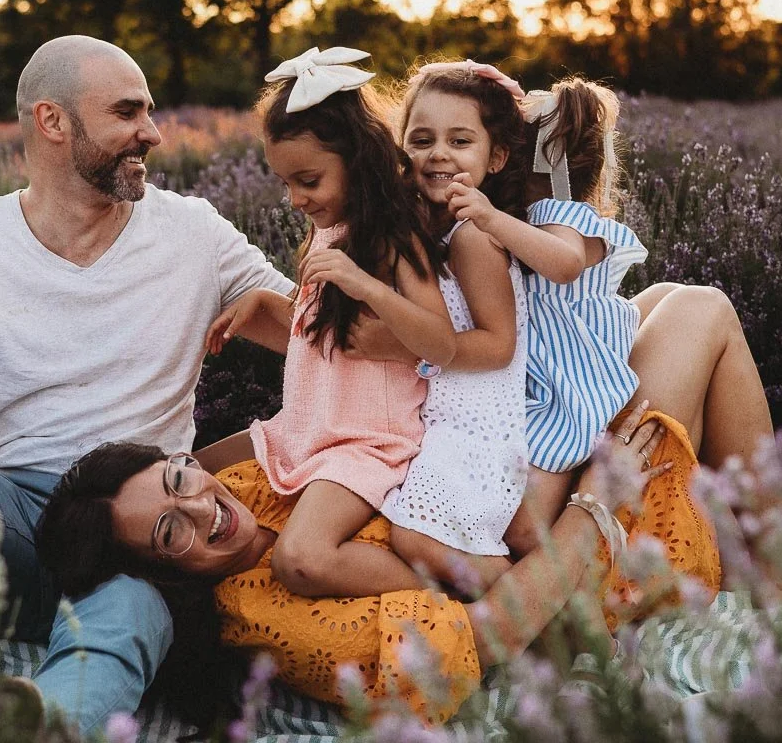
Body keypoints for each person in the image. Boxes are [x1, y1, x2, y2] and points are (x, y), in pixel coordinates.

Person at [0, 35, 295, 734]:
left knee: (133, 608)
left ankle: (45, 723)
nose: (152, 133)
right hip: (7, 522)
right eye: (128, 112)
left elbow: (328, 341)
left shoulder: (194, 233)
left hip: (141, 531)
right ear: (53, 121)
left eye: (149, 112)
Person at [39, 401, 689, 726]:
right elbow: (493, 633)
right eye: (168, 532)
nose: (203, 509)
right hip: (584, 564)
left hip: (535, 484)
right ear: (163, 575)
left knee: (662, 304)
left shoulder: (242, 482)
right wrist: (597, 505)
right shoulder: (271, 614)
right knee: (698, 314)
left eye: (180, 478)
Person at [205, 46, 458, 599]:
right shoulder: (330, 231)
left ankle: (453, 595)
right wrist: (267, 304)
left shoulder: (394, 235)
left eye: (309, 180)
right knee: (189, 471)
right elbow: (327, 336)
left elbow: (441, 342)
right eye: (286, 184)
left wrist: (362, 281)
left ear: (357, 158)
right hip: (302, 428)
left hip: (365, 443)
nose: (295, 198)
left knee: (301, 560)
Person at [445, 76, 650, 555]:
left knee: (522, 528)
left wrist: (491, 218)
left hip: (571, 383)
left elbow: (565, 265)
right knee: (512, 517)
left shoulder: (561, 215)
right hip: (544, 380)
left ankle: (565, 580)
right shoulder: (532, 220)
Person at [377, 59, 533, 594]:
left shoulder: (472, 236)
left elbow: (498, 346)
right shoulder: (431, 229)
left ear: (497, 157)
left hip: (484, 416)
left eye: (460, 141)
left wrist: (415, 350)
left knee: (418, 538)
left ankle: (536, 610)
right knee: (415, 533)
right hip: (450, 408)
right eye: (421, 140)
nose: (437, 153)